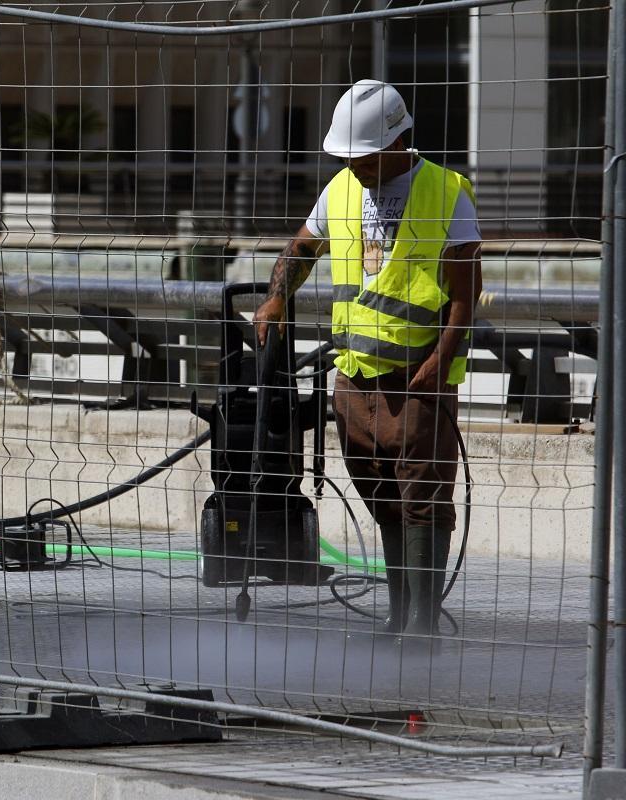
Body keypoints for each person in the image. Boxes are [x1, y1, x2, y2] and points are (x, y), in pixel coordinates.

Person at [254, 79, 482, 638]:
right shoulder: (340, 190)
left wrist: (440, 360)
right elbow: (302, 247)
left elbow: (465, 291)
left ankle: (422, 625)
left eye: (367, 157)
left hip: (418, 378)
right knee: (381, 493)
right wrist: (277, 297)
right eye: (350, 158)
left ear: (398, 141)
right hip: (355, 375)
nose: (356, 168)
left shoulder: (446, 192)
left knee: (423, 498)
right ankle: (399, 614)